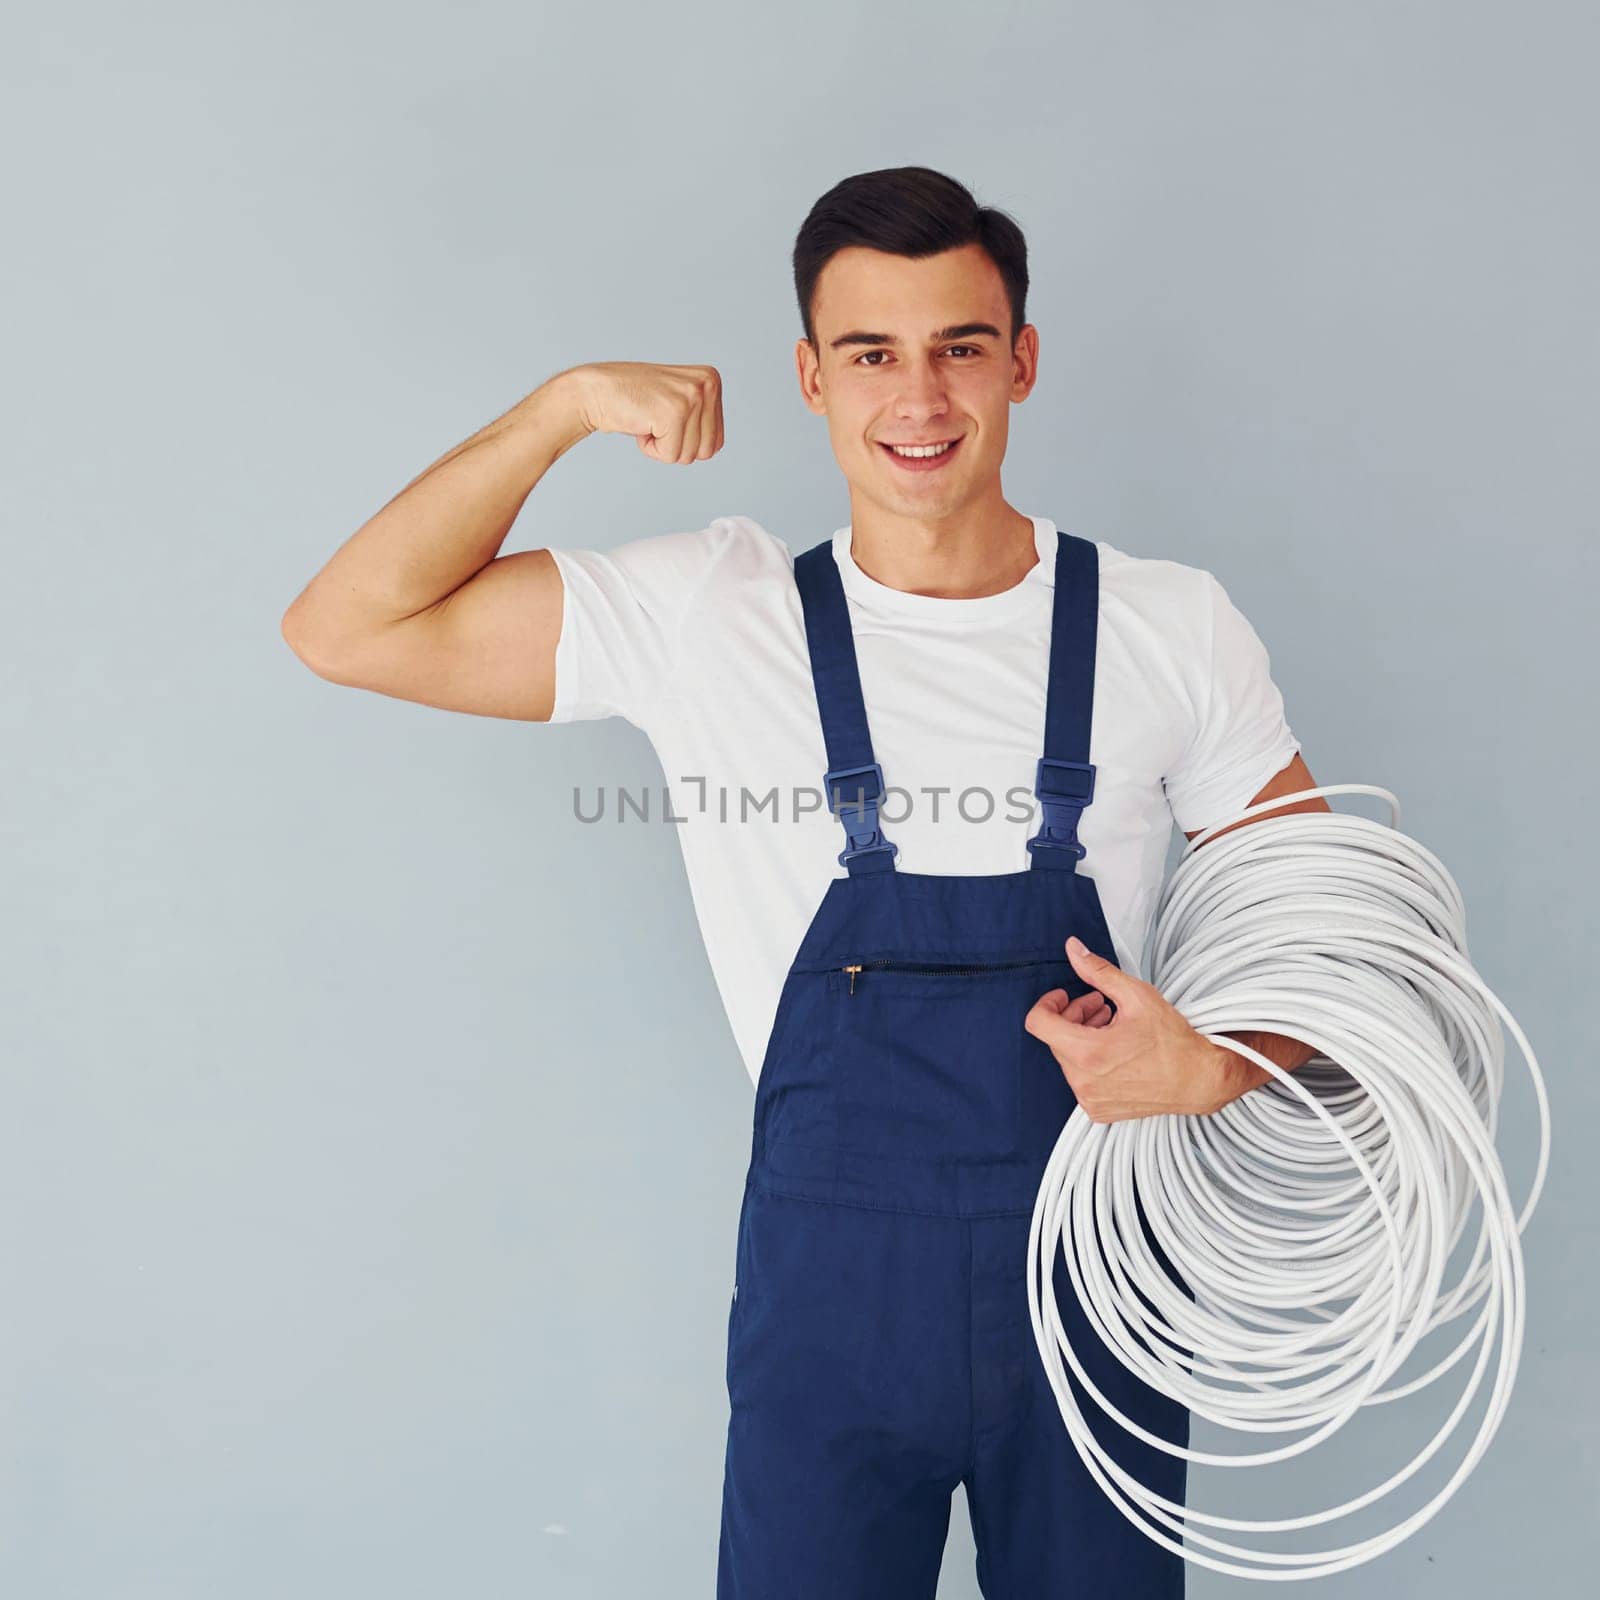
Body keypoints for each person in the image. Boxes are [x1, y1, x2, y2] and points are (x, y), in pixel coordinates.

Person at [281, 165, 1329, 1598]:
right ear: (808, 377)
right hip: (834, 1309)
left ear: (1021, 360)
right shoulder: (711, 614)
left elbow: (1338, 945)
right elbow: (347, 628)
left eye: (961, 346)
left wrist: (1214, 1069)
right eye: (871, 354)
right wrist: (562, 408)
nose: (921, 397)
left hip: (1106, 1284)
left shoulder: (1169, 626)